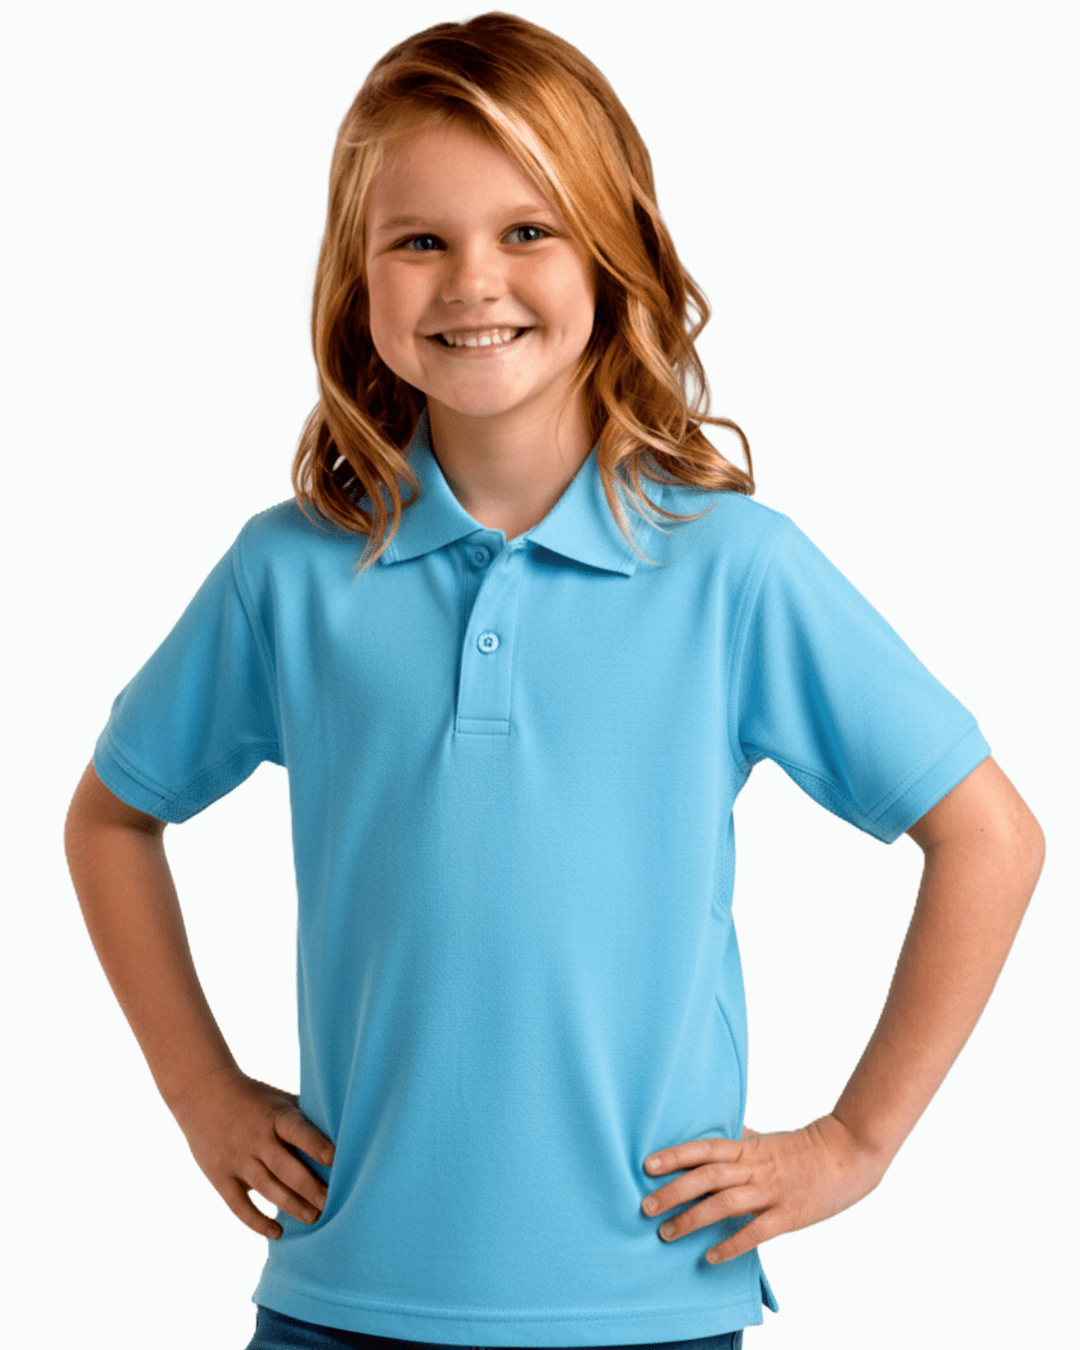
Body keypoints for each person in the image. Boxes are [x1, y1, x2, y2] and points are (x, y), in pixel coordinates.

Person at [63, 12, 1044, 1350]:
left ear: (614, 250)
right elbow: (112, 815)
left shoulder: (732, 571)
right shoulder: (290, 575)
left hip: (649, 1304)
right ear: (358, 281)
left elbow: (989, 835)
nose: (475, 279)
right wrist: (198, 1091)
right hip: (338, 1299)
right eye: (421, 239)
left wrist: (854, 1142)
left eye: (529, 230)